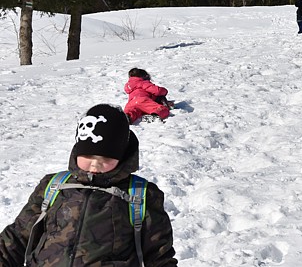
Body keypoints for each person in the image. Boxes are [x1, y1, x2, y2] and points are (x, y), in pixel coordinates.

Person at [0, 103, 177, 266]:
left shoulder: (140, 195)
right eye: (88, 156)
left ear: (122, 156)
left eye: (106, 158)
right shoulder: (53, 185)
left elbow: (159, 257)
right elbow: (17, 236)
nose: (95, 164)